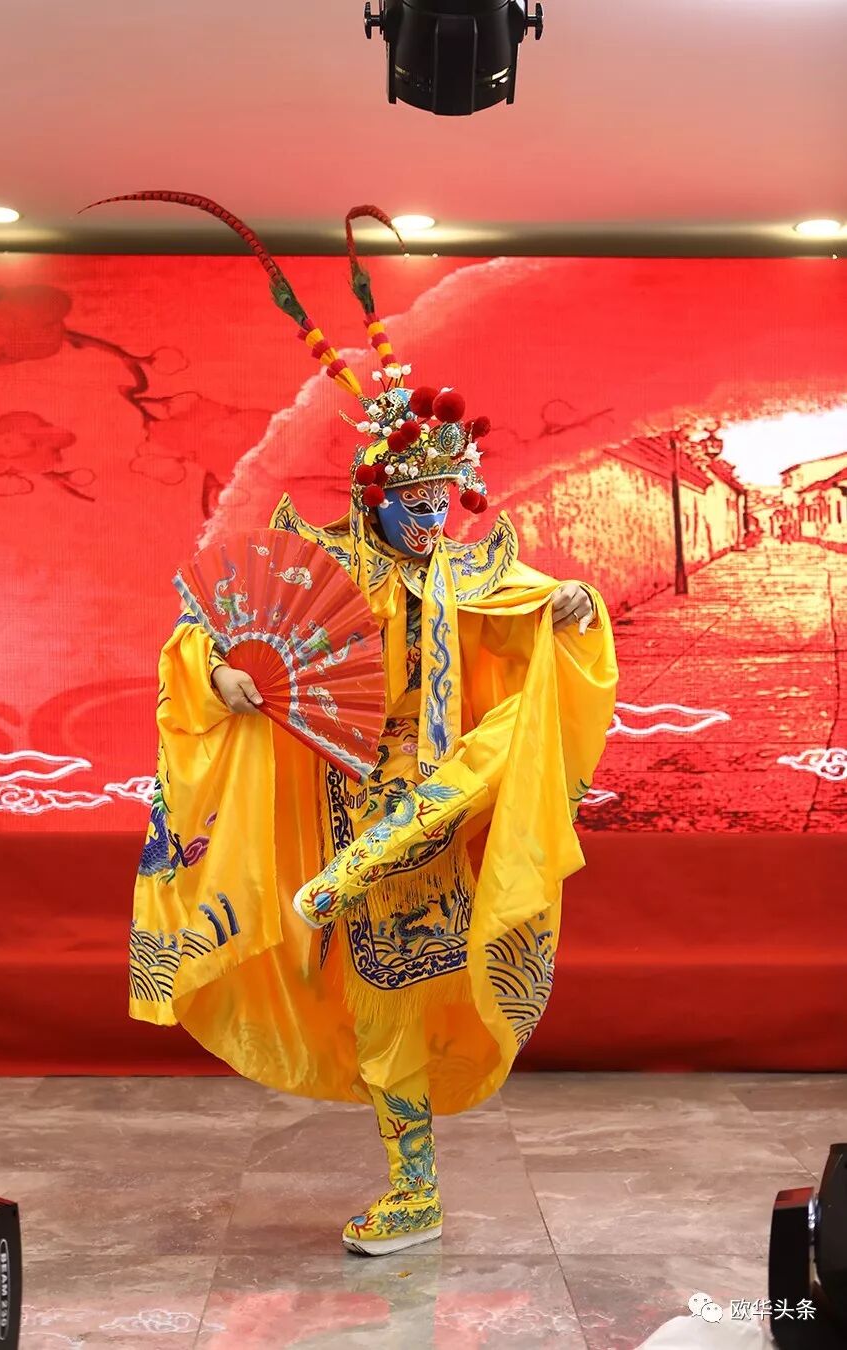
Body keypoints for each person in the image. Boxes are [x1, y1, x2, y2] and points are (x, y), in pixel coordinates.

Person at [116, 193, 619, 1257]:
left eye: (444, 502)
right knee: (384, 998)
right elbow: (201, 634)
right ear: (373, 494)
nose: (432, 520)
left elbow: (543, 610)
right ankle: (415, 1188)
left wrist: (574, 607)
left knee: (504, 744)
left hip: (446, 793)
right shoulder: (325, 567)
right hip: (349, 794)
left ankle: (355, 880)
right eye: (413, 503)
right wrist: (227, 673)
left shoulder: (472, 570)